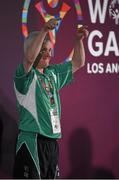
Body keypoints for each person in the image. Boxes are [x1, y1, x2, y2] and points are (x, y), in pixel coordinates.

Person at [13, 18, 88, 179]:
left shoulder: (52, 73)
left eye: (49, 50)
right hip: (32, 142)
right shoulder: (25, 76)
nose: (49, 54)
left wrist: (77, 40)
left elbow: (78, 62)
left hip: (51, 144)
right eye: (44, 50)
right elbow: (29, 58)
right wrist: (44, 31)